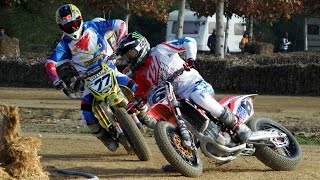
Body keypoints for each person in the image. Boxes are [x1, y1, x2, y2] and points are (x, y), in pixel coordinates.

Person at [45, 4, 155, 152]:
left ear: (80, 19)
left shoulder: (94, 25)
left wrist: (120, 43)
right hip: (89, 80)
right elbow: (50, 63)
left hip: (109, 68)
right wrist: (56, 80)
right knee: (86, 113)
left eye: (74, 23)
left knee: (135, 88)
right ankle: (104, 137)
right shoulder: (63, 44)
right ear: (61, 27)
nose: (72, 28)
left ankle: (144, 114)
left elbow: (119, 24)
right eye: (67, 26)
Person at [116, 32, 252, 146]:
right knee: (168, 120)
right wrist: (136, 102)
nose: (129, 59)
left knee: (198, 97)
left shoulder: (160, 50)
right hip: (176, 99)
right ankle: (181, 153)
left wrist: (190, 58)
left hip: (193, 84)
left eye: (131, 54)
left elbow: (188, 41)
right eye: (126, 56)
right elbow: (142, 92)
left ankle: (236, 125)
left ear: (141, 47)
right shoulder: (141, 74)